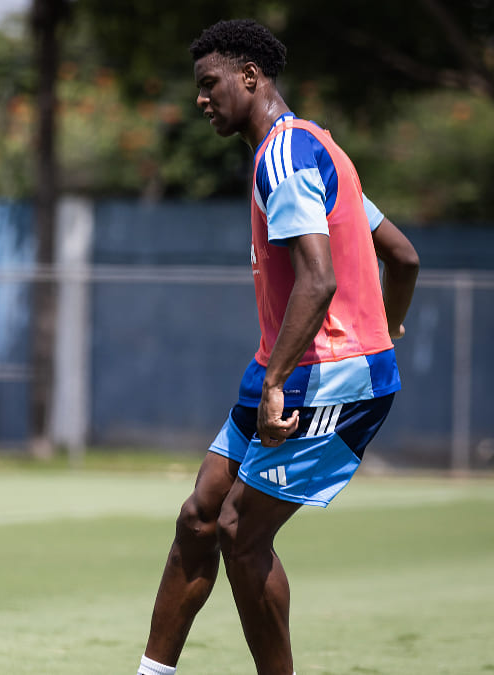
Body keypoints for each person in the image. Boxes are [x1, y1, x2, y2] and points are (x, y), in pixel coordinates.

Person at [135, 19, 420, 675]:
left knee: (240, 530)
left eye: (210, 84)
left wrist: (276, 385)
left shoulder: (285, 155)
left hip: (326, 376)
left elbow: (318, 280)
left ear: (252, 77)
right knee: (200, 517)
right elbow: (402, 256)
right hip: (287, 365)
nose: (201, 99)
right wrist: (391, 325)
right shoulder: (320, 147)